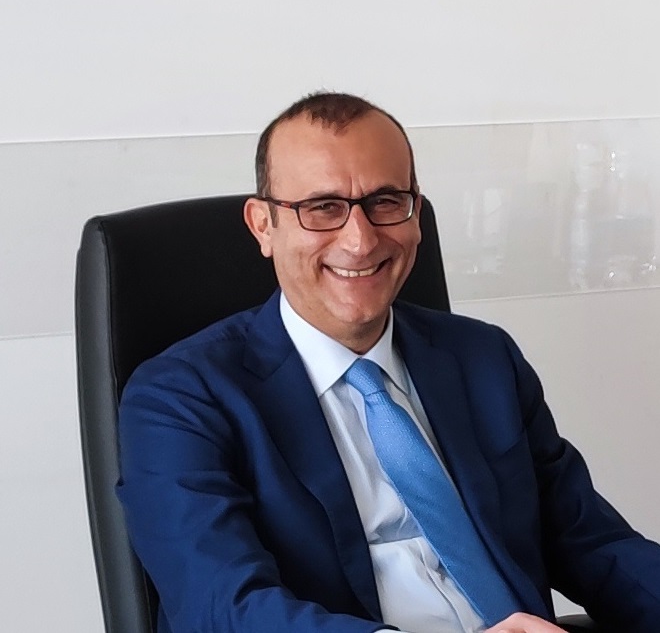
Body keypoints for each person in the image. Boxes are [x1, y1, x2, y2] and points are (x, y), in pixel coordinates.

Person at [117, 92, 660, 633]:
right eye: (323, 208)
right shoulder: (178, 397)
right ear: (263, 225)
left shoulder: (483, 358)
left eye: (384, 201)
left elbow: (592, 541)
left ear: (415, 212)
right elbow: (223, 606)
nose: (360, 241)